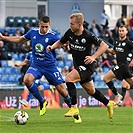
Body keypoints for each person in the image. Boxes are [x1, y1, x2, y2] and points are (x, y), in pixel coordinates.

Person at [46, 13, 114, 119]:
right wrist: (52, 47)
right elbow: (60, 42)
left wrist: (93, 56)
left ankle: (74, 107)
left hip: (88, 66)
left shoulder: (87, 35)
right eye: (70, 23)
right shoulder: (70, 33)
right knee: (91, 91)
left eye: (72, 24)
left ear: (79, 24)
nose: (70, 26)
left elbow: (104, 46)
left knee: (68, 79)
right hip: (78, 66)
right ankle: (108, 103)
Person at [0, 16, 71, 117]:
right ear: (39, 25)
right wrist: (4, 38)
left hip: (50, 66)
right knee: (27, 80)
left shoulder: (53, 36)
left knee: (62, 90)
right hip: (36, 65)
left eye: (46, 27)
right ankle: (42, 101)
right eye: (42, 26)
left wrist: (67, 46)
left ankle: (73, 109)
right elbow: (20, 39)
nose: (44, 29)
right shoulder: (33, 33)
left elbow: (64, 48)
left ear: (49, 25)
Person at [103, 25, 133, 106]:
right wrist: (105, 48)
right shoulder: (116, 41)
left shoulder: (128, 42)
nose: (121, 32)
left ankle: (117, 95)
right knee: (130, 84)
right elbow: (113, 52)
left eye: (123, 31)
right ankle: (118, 96)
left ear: (126, 32)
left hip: (123, 65)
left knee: (106, 78)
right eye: (120, 31)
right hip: (122, 67)